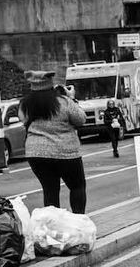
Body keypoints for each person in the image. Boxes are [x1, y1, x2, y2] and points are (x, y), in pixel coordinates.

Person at [19, 71, 88, 214]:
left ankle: (53, 226)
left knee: (50, 190)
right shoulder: (63, 101)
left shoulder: (25, 104)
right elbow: (80, 119)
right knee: (77, 187)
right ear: (51, 84)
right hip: (65, 152)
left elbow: (23, 120)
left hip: (36, 154)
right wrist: (72, 98)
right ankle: (78, 221)